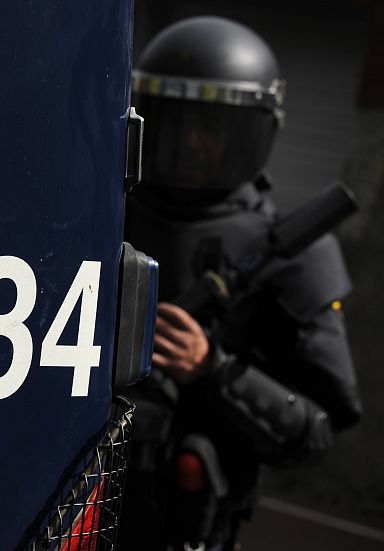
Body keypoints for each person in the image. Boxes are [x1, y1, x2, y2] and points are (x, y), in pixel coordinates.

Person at [117, 16, 363, 550]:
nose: (192, 143)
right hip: (77, 507)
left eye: (211, 127)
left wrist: (213, 369)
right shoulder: (104, 218)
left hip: (185, 526)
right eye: (176, 122)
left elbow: (318, 430)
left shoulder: (295, 253)